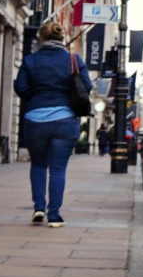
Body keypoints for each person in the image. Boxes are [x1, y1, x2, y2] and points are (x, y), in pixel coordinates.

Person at [14, 21, 92, 226]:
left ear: (41, 38)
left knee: (38, 164)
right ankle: (54, 215)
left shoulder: (30, 60)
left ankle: (38, 208)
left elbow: (20, 87)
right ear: (62, 39)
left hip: (35, 119)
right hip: (65, 120)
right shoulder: (73, 60)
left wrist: (36, 98)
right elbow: (87, 86)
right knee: (58, 169)